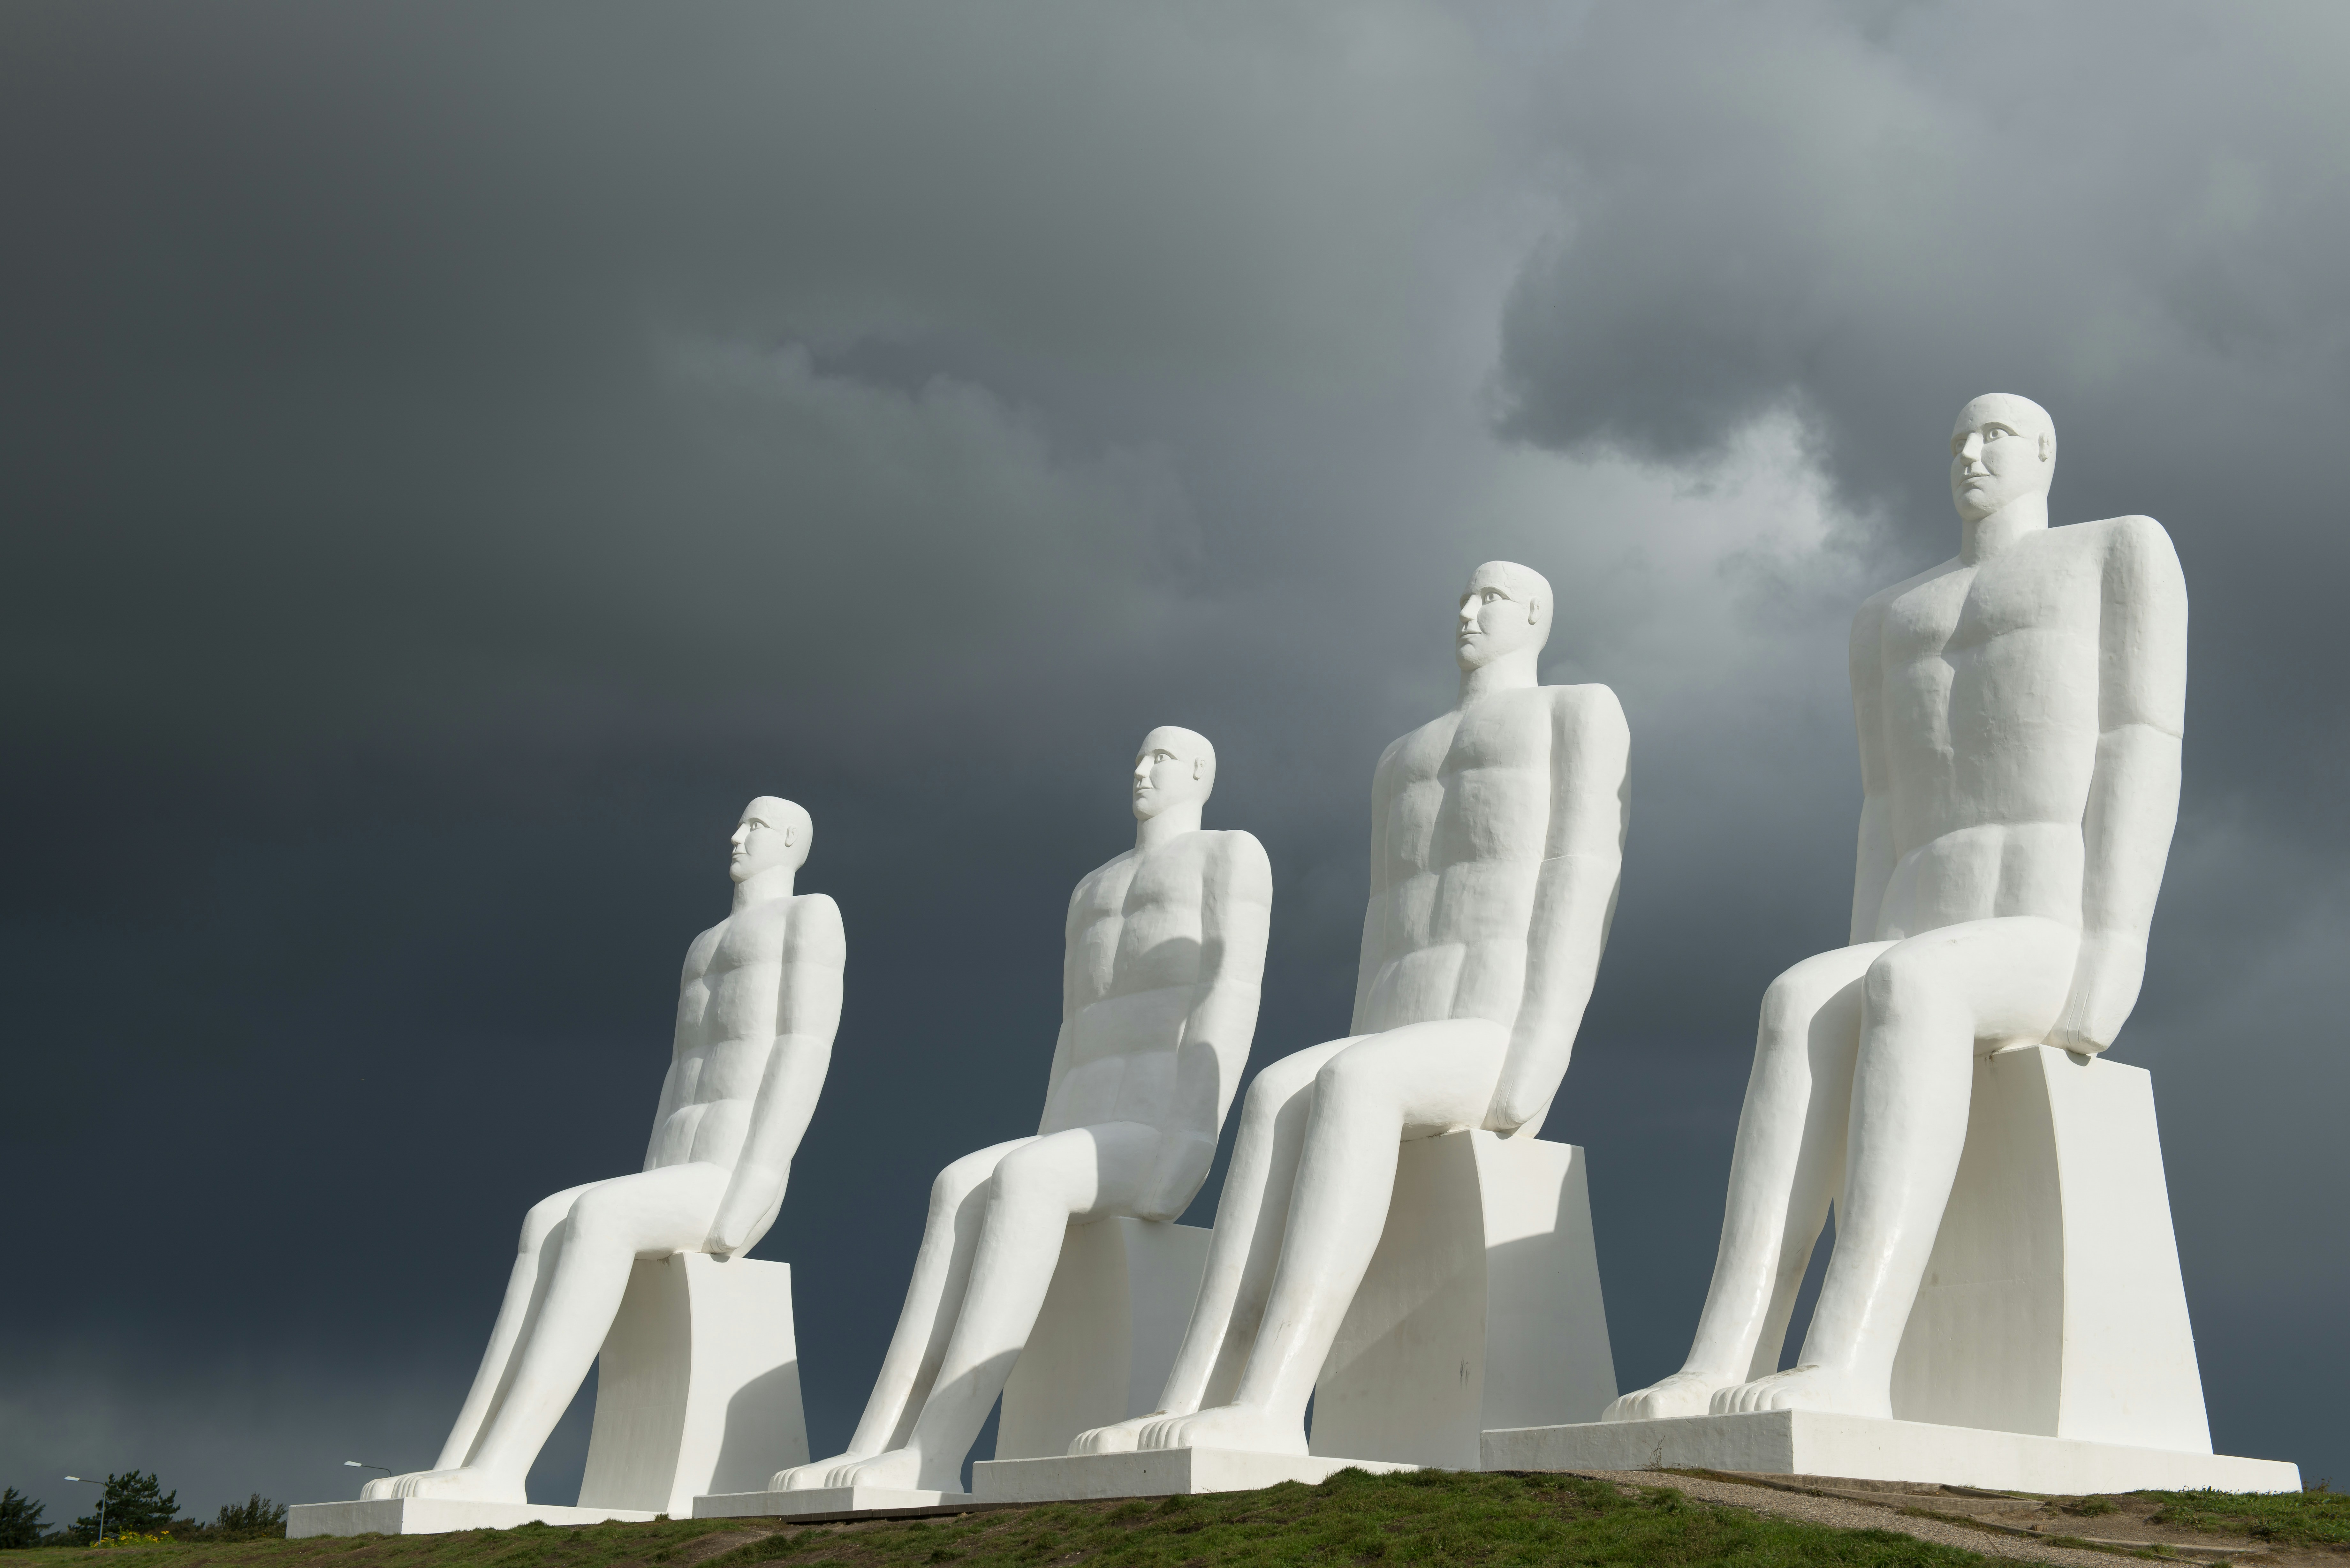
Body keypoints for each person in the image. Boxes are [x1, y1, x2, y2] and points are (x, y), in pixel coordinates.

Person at [1605, 394, 2187, 1423]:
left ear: (2045, 451)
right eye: (1958, 440)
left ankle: (1851, 1355)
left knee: (1915, 984)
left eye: (1995, 435)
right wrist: (1858, 965)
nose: (1970, 453)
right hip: (1918, 918)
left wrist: (2116, 948)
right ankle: (1720, 1353)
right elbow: (1882, 805)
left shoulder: (2116, 552)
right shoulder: (1888, 615)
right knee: (1796, 999)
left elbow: (2140, 746)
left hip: (2041, 923)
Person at [1075, 562, 1627, 1459]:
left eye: (1492, 597)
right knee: (1274, 1092)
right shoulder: (1401, 757)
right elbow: (1386, 920)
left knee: (1355, 1082)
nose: (1469, 609)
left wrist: (1541, 1050)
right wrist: (1358, 1037)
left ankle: (1274, 1397)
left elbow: (1581, 874)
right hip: (1400, 1027)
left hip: (1486, 1031)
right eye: (1464, 595)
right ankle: (1194, 1391)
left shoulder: (1577, 713)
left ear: (1536, 615)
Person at [778, 727, 1272, 1495]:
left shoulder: (1227, 855)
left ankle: (936, 1448)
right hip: (1081, 1127)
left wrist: (1188, 1144)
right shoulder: (1092, 888)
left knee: (1027, 1177)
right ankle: (878, 1439)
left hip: (1153, 1134)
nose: (1141, 770)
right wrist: (1044, 1134)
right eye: (1137, 757)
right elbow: (1072, 1033)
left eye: (1162, 758)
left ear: (1202, 774)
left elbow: (1229, 996)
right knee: (956, 1184)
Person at [368, 798, 843, 1503]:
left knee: (597, 1216)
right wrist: (649, 1174)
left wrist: (760, 1179)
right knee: (545, 1218)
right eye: (737, 823)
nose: (735, 836)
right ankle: (463, 1455)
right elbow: (679, 1071)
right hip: (676, 1168)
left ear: (791, 840)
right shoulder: (703, 944)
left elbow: (804, 1047)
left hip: (730, 1173)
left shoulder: (811, 916)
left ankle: (504, 1464)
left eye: (754, 827)